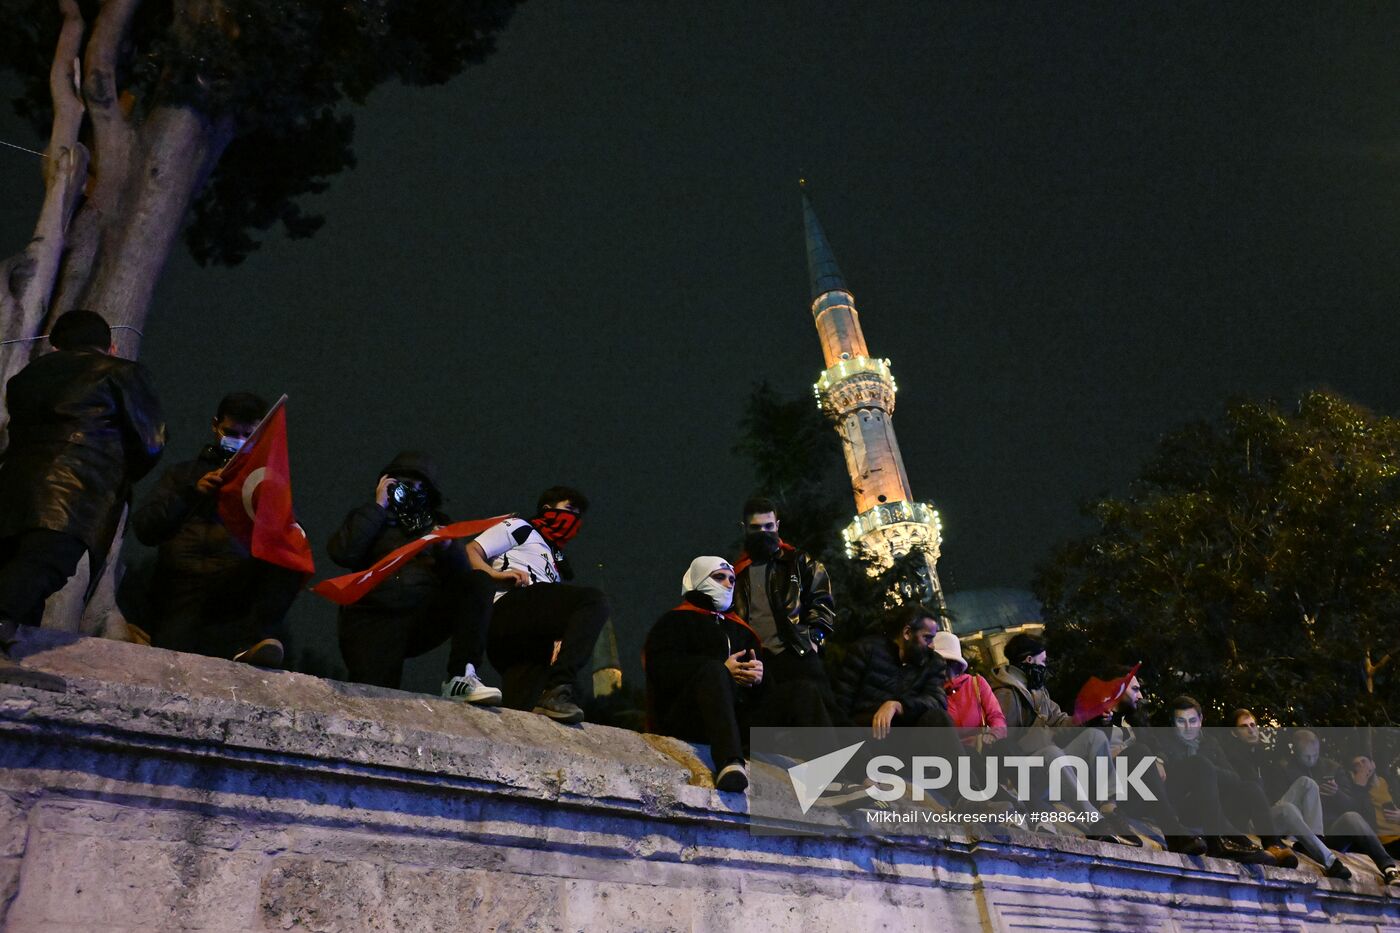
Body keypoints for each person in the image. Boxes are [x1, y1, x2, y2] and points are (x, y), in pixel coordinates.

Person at [0, 309, 165, 691]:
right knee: (46, 564)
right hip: (73, 488)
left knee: (16, 562)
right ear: (111, 345)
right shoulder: (121, 371)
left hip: (13, 488)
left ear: (55, 347)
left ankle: (10, 656)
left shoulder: (24, 379)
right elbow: (151, 441)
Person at [130, 393, 302, 666]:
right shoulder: (182, 474)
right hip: (179, 589)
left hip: (233, 594)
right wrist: (191, 493)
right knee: (171, 661)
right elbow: (145, 528)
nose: (238, 440)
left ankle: (255, 639)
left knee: (292, 552)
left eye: (248, 434)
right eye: (231, 432)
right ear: (215, 426)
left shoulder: (264, 485)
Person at [329, 452, 500, 705]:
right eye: (407, 484)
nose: (414, 492)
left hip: (419, 616)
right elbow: (342, 552)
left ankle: (462, 677)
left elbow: (465, 589)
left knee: (479, 582)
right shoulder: (369, 517)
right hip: (373, 618)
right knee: (374, 700)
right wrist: (378, 507)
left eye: (423, 488)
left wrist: (448, 550)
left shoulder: (437, 525)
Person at [472, 486, 608, 724]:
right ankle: (560, 684)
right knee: (593, 601)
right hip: (510, 608)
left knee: (524, 712)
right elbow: (471, 550)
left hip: (527, 639)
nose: (574, 518)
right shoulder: (519, 527)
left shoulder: (554, 559)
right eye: (569, 509)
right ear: (547, 509)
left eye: (578, 514)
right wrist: (496, 576)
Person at [989, 633, 1130, 840]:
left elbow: (1061, 721)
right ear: (1029, 659)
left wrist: (1090, 715)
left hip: (1048, 765)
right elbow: (1004, 742)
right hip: (1022, 775)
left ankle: (1109, 806)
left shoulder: (1039, 691)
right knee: (1052, 752)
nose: (1045, 667)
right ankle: (1094, 819)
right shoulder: (1005, 694)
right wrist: (1041, 731)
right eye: (1043, 661)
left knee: (1095, 736)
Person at [644, 557, 762, 792]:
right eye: (719, 577)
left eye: (731, 579)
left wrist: (759, 678)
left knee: (802, 690)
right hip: (690, 718)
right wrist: (721, 671)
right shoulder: (674, 621)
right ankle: (730, 763)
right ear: (698, 580)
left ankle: (838, 772)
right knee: (713, 669)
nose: (728, 584)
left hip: (740, 720)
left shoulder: (741, 630)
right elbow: (660, 670)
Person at [1073, 666, 1207, 856]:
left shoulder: (1136, 722)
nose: (1140, 695)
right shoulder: (1096, 717)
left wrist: (1158, 759)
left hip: (1140, 790)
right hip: (1108, 791)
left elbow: (1157, 747)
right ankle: (1173, 832)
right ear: (1118, 688)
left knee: (1199, 765)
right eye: (1135, 689)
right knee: (1139, 752)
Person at [1158, 696, 1292, 866]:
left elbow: (1234, 778)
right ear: (1172, 723)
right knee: (1200, 764)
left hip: (1213, 805)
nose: (1187, 727)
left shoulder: (1210, 743)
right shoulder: (1164, 741)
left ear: (1200, 721)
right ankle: (1218, 842)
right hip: (1183, 806)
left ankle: (1273, 844)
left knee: (1250, 787)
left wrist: (1209, 773)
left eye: (1192, 721)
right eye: (1180, 721)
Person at [1224, 709, 1352, 878]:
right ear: (1234, 733)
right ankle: (1329, 861)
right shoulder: (1232, 757)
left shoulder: (1263, 756)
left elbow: (1274, 792)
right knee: (1286, 809)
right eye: (1243, 726)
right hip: (1250, 821)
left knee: (1307, 783)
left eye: (1253, 725)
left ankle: (1313, 841)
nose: (1250, 729)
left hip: (1268, 816)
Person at [1271, 729, 1399, 883]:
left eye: (1315, 755)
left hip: (1329, 833)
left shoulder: (1333, 768)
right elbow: (1280, 803)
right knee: (1307, 786)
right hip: (1299, 833)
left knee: (1352, 818)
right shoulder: (1283, 768)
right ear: (1296, 751)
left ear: (1318, 748)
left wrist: (1336, 793)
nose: (1311, 759)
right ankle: (1312, 845)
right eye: (1306, 756)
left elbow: (1354, 806)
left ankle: (1388, 867)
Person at [830, 604, 949, 735]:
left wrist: (898, 706)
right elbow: (840, 704)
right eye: (927, 638)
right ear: (907, 633)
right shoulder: (866, 650)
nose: (932, 646)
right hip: (867, 735)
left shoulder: (933, 662)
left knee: (937, 717)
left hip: (908, 736)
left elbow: (937, 701)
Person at [933, 631, 1006, 747]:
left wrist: (993, 735)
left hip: (983, 747)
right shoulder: (932, 693)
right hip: (953, 754)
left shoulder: (976, 683)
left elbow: (996, 716)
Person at [1343, 754, 1400, 856]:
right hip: (1385, 843)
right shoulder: (1357, 791)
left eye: (1364, 761)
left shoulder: (1391, 783)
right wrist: (1359, 786)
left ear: (1373, 764)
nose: (1361, 766)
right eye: (1357, 765)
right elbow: (1355, 818)